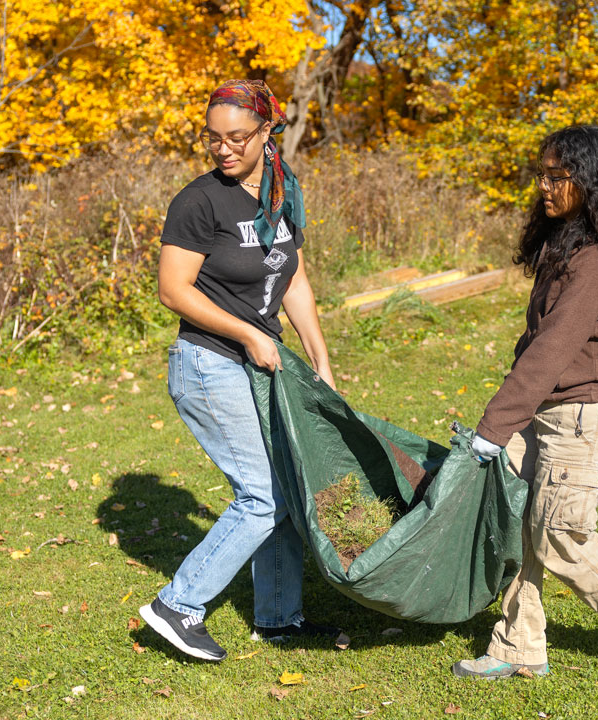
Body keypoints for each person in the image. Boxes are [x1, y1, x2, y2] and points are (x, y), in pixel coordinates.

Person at [453, 125, 598, 681]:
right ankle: (518, 645)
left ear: (591, 183)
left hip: (585, 417)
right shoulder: (569, 246)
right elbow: (537, 341)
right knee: (518, 518)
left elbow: (552, 351)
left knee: (559, 534)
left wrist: (492, 429)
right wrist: (507, 421)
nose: (545, 186)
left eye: (557, 176)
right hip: (548, 409)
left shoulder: (596, 262)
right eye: (543, 174)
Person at [140, 79, 339, 662]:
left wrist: (321, 359)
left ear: (267, 131)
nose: (223, 148)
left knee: (284, 489)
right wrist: (249, 332)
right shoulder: (199, 202)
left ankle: (279, 618)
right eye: (213, 138)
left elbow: (292, 278)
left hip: (261, 364)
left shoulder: (282, 192)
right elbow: (173, 290)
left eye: (237, 137)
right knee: (262, 495)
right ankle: (179, 605)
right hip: (209, 363)